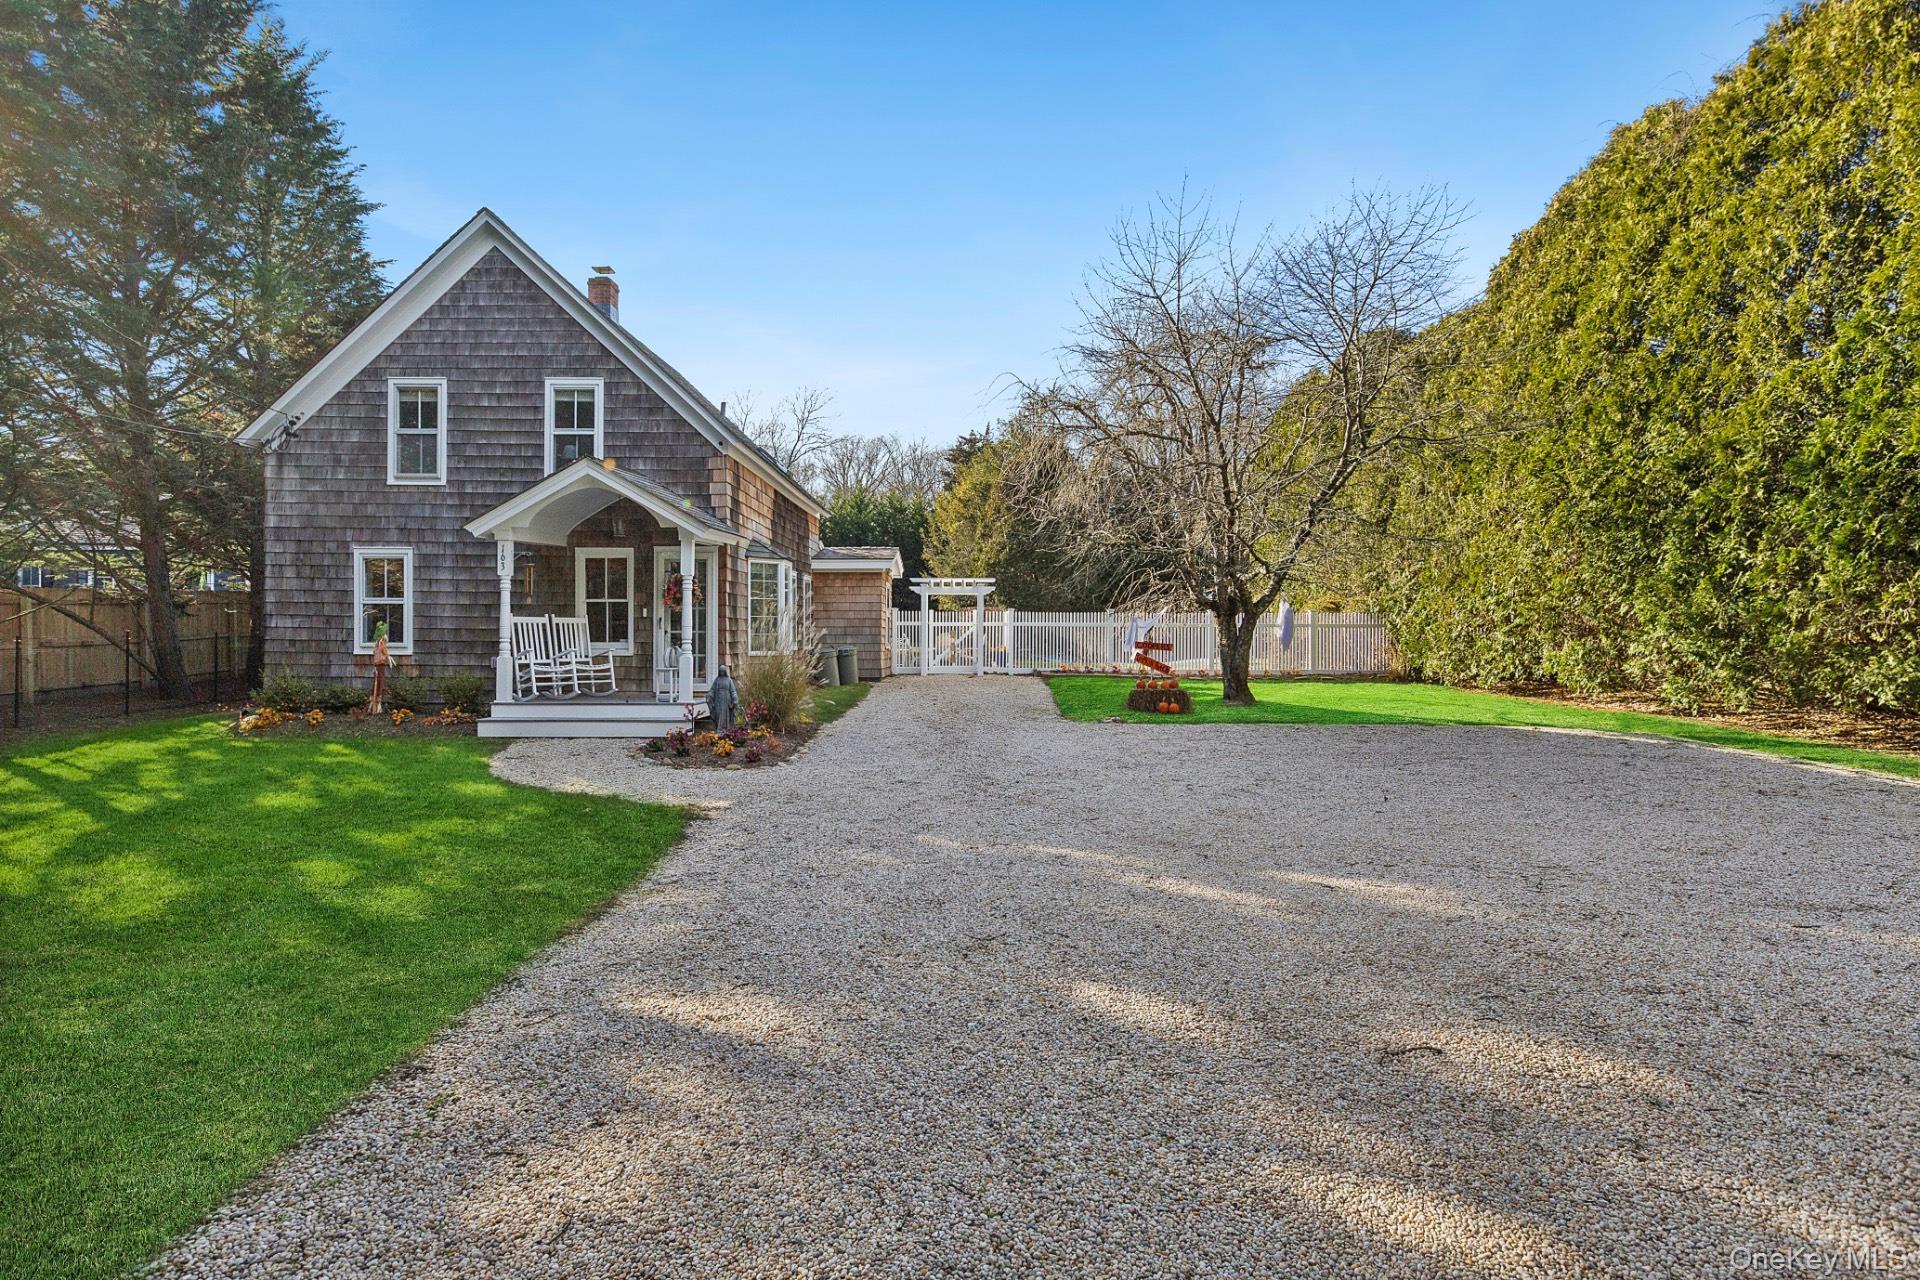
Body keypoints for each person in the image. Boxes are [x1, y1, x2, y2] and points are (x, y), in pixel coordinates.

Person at [707, 664, 739, 731]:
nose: (721, 672)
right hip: (718, 700)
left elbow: (733, 691)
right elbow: (712, 689)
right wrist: (709, 694)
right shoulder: (717, 680)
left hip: (726, 701)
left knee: (726, 715)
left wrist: (735, 697)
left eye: (723, 671)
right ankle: (719, 728)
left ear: (725, 672)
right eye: (720, 671)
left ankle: (726, 729)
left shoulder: (729, 680)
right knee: (718, 713)